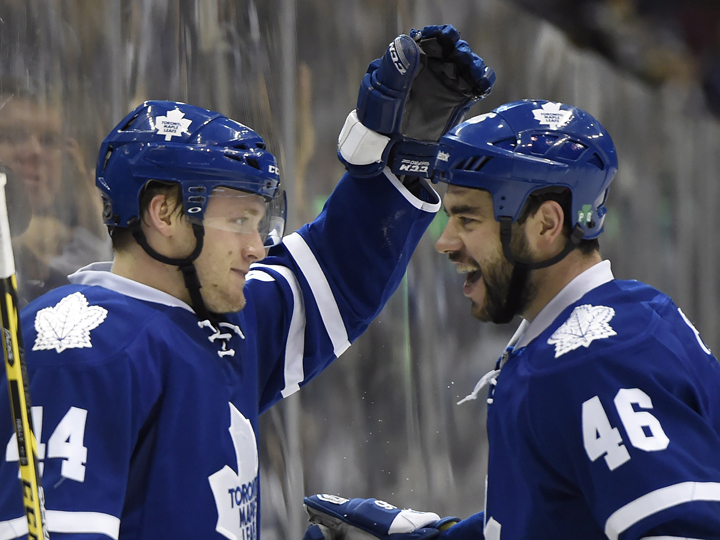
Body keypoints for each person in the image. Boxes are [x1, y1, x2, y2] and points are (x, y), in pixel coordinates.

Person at [0, 25, 495, 539]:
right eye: (239, 222)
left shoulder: (215, 314)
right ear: (164, 213)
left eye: (259, 222)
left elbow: (335, 274)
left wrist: (394, 160)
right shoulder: (76, 344)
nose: (257, 246)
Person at [302, 100, 720, 539]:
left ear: (546, 225)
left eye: (467, 219)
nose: (445, 242)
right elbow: (567, 513)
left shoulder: (593, 361)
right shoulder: (620, 317)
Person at [0, 87, 111, 305]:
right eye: (12, 136)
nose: (34, 151)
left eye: (49, 140)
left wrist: (96, 229)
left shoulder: (65, 268)